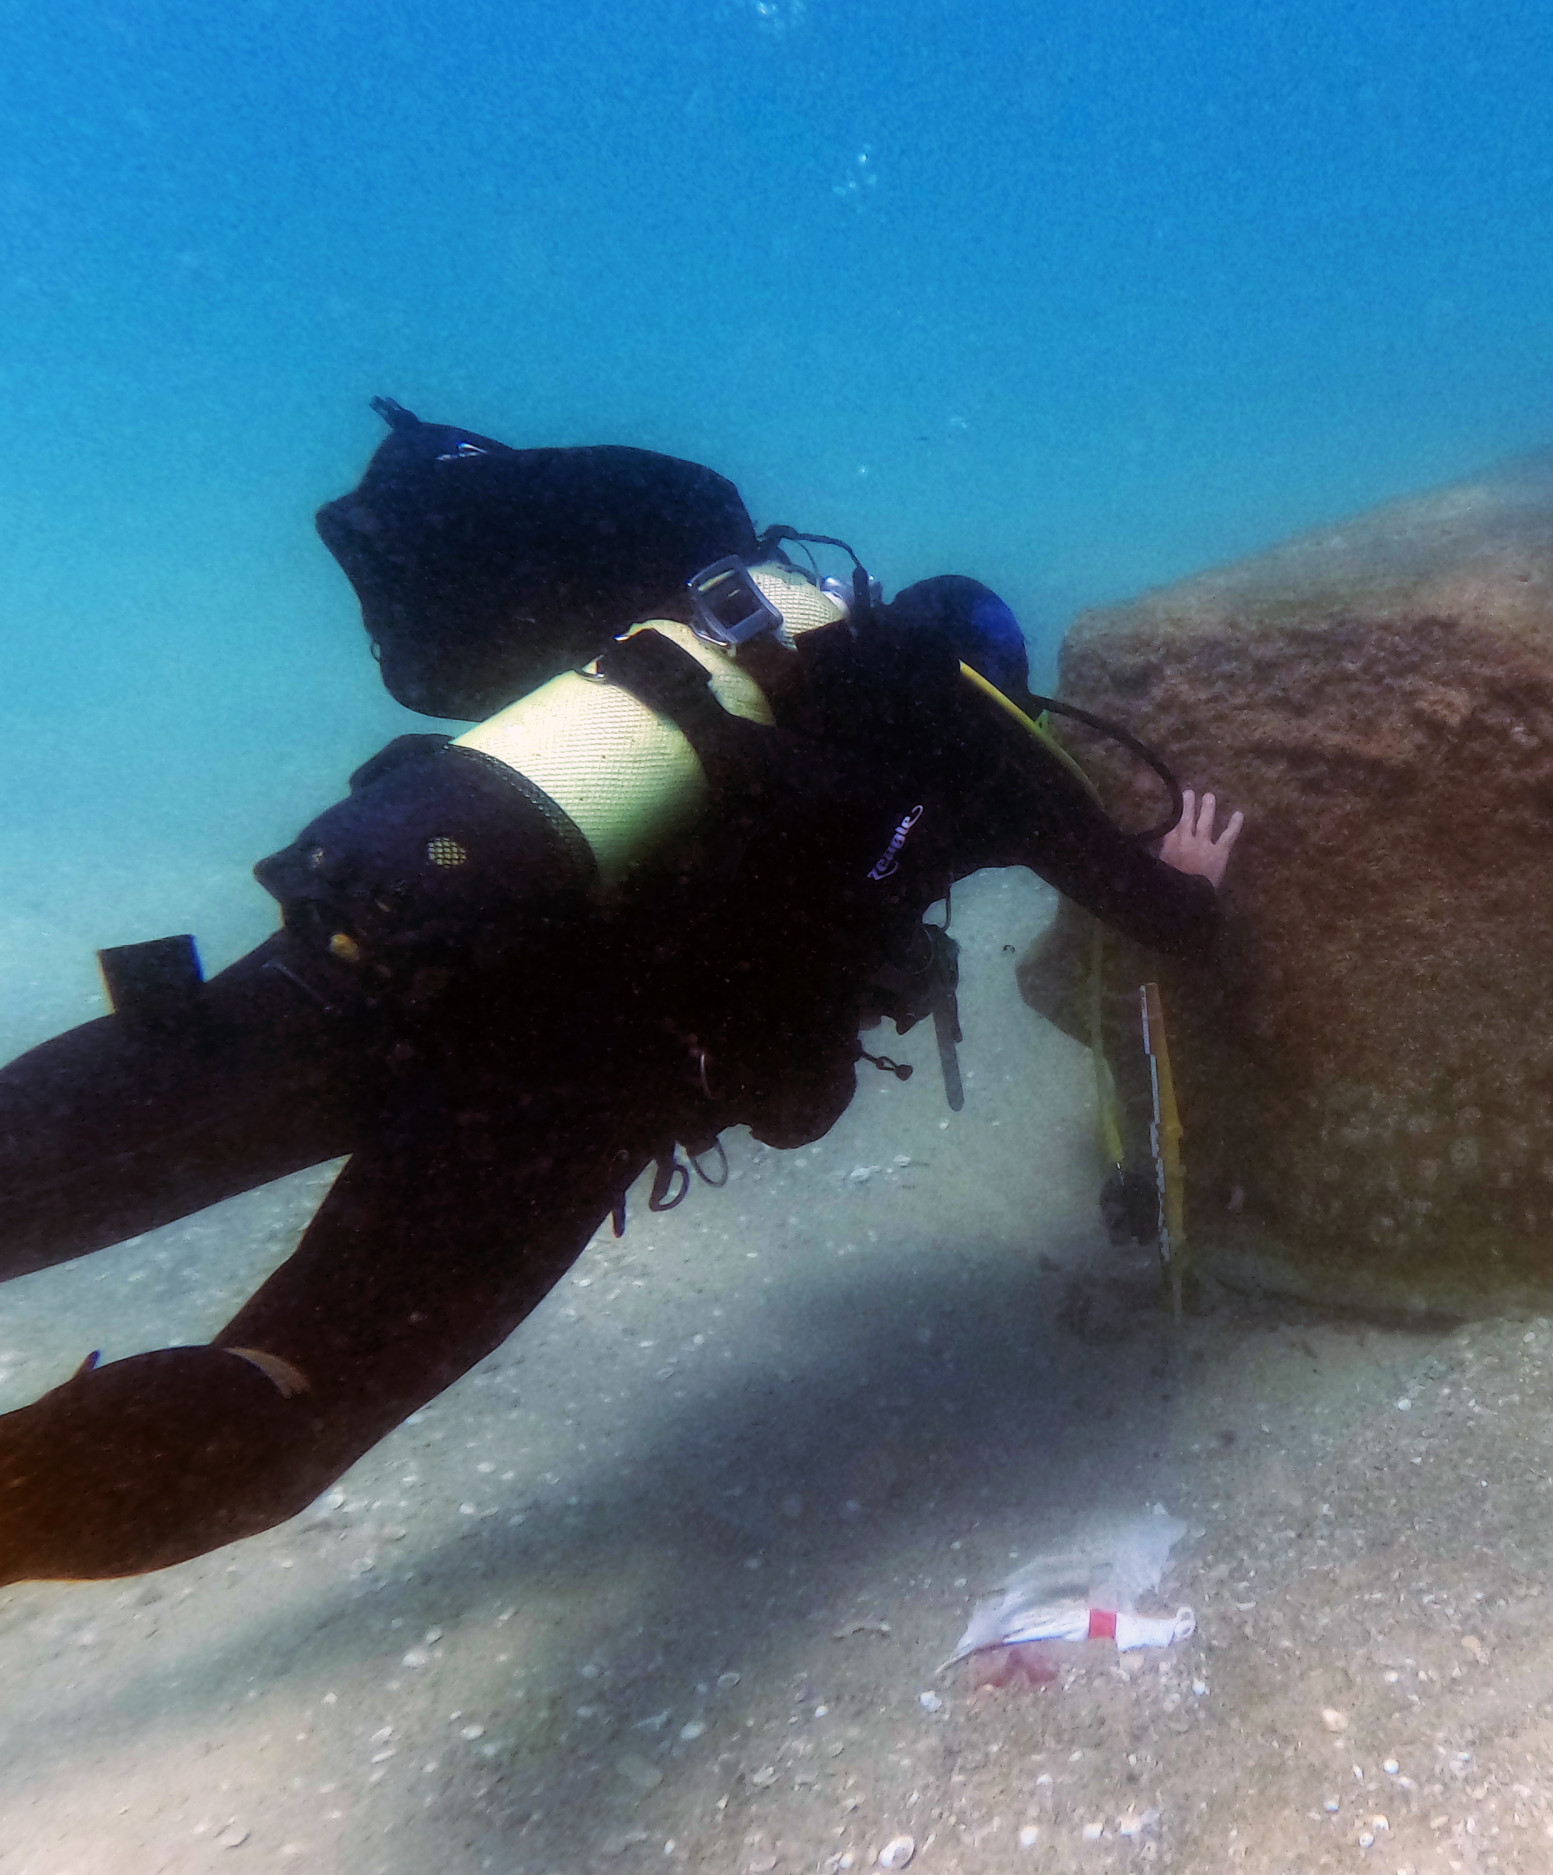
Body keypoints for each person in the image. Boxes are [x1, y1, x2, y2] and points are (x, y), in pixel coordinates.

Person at [0, 403, 1243, 1587]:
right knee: (295, 1392)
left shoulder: (690, 631)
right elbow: (1170, 922)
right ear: (997, 676)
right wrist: (1183, 877)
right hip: (567, 1096)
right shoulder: (975, 733)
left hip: (385, 941)